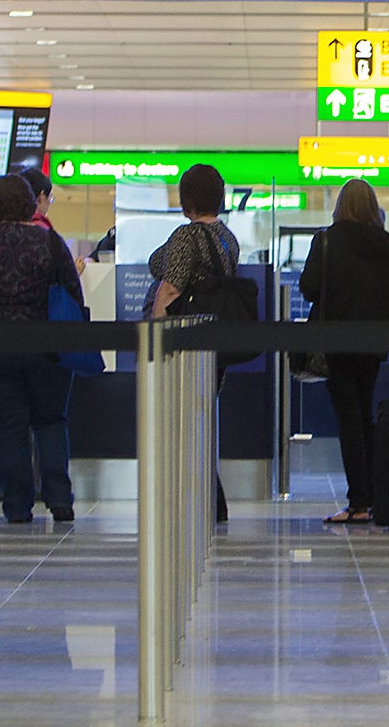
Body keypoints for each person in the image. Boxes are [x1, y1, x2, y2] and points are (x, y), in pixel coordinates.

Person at [0, 172, 85, 524]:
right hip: (47, 349)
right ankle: (59, 500)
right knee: (50, 421)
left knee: (9, 428)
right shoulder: (50, 243)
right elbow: (73, 294)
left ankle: (16, 506)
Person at [299, 178, 389, 525]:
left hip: (335, 343)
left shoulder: (326, 240)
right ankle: (372, 498)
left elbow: (309, 287)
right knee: (365, 417)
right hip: (373, 345)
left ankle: (358, 502)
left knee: (349, 419)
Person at [147, 162, 240, 522]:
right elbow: (162, 262)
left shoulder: (186, 237)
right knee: (200, 418)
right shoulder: (226, 237)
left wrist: (157, 334)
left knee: (183, 421)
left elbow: (169, 287)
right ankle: (209, 499)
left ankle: (206, 500)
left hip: (187, 340)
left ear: (187, 200)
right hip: (216, 339)